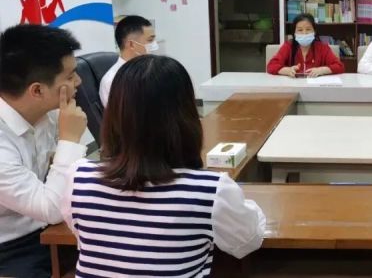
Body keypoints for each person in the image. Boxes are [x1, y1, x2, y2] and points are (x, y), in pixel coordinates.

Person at [62, 55, 266, 277]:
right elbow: (248, 241)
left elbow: (83, 234)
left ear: (114, 115)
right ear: (187, 115)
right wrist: (244, 203)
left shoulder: (78, 178)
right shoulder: (211, 192)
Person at [0, 24, 88, 278]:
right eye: (70, 76)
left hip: (55, 227)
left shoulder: (50, 113)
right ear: (37, 90)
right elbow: (49, 208)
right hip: (12, 247)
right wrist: (70, 140)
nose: (79, 82)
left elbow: (80, 172)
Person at [99, 15, 158, 107]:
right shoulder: (112, 81)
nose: (155, 45)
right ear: (131, 44)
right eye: (150, 40)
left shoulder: (151, 69)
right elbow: (120, 115)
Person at [267, 13, 345, 77]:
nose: (304, 33)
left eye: (308, 29)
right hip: (294, 86)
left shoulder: (323, 47)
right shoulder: (288, 46)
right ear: (294, 33)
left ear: (314, 31)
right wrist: (287, 70)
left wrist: (321, 70)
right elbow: (271, 66)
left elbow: (339, 66)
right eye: (300, 30)